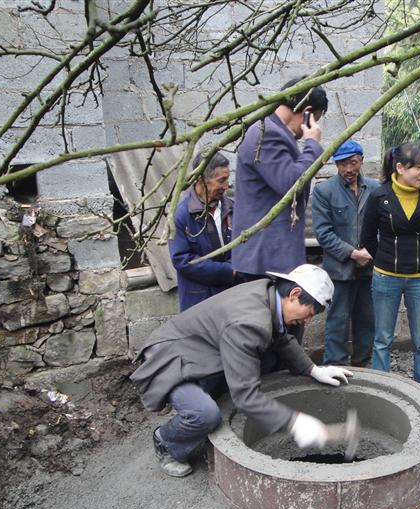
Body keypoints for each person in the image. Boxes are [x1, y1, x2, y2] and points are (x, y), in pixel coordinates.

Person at [130, 264, 354, 477]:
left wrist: (313, 369)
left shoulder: (269, 294)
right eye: (310, 311)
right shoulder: (249, 322)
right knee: (205, 414)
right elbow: (245, 396)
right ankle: (167, 442)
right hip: (171, 359)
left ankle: (206, 403)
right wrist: (296, 423)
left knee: (265, 363)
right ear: (294, 294)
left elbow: (280, 338)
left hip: (201, 351)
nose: (308, 320)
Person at [360, 143, 420, 391]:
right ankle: (380, 391)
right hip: (386, 278)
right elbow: (367, 237)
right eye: (416, 167)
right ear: (399, 167)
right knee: (383, 340)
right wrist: (385, 259)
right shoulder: (379, 196)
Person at [231, 77, 328, 279]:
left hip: (272, 258)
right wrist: (312, 145)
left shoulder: (272, 131)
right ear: (306, 111)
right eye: (314, 119)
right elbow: (290, 183)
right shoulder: (266, 134)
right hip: (266, 259)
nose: (312, 127)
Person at [311, 139, 379, 367]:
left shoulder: (375, 189)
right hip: (340, 270)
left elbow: (383, 226)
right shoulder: (324, 191)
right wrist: (352, 253)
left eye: (353, 162)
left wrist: (371, 252)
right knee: (338, 321)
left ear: (361, 161)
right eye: (342, 164)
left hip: (369, 269)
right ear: (335, 165)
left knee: (367, 320)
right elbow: (323, 233)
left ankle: (364, 366)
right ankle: (335, 366)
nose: (348, 169)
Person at [169, 150, 237, 312]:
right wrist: (230, 271)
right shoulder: (182, 215)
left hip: (234, 296)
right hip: (199, 302)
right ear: (201, 180)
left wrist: (237, 269)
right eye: (221, 181)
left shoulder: (234, 208)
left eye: (227, 180)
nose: (226, 187)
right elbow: (182, 260)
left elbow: (246, 247)